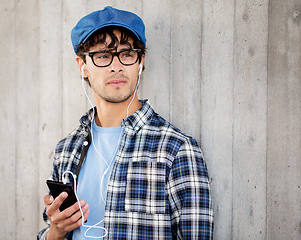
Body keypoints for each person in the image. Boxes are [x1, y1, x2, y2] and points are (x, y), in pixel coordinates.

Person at [37, 6, 213, 240]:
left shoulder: (176, 149)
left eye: (127, 54)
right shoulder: (66, 149)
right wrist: (56, 231)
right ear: (82, 66)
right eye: (102, 56)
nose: (116, 66)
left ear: (140, 62)